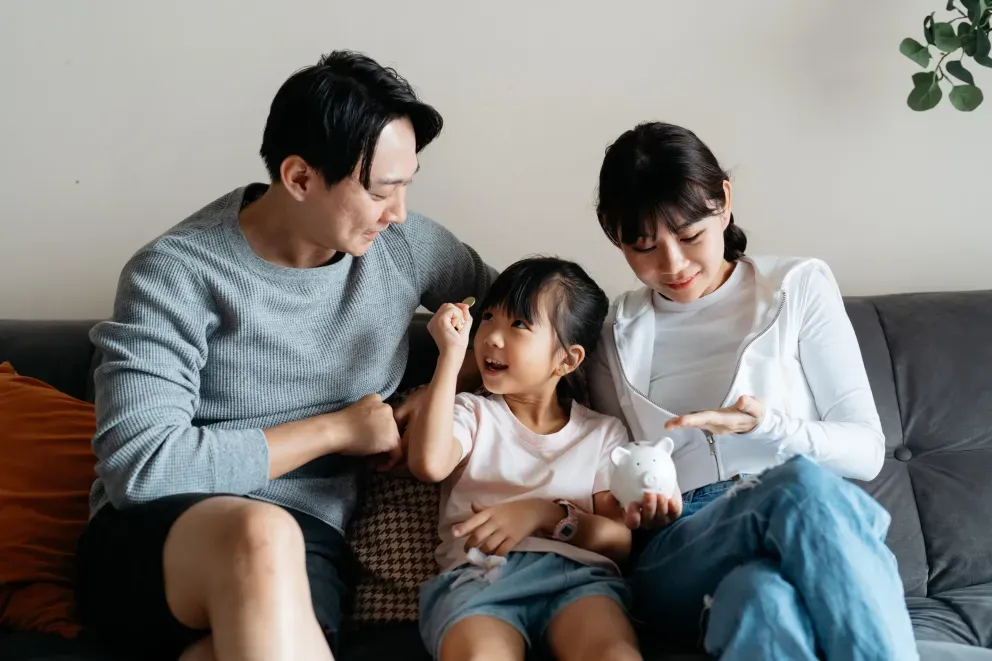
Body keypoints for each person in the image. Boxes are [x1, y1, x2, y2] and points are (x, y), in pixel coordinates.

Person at [74, 51, 494, 661]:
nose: (399, 212)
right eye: (381, 191)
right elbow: (142, 468)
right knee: (261, 532)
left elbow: (524, 328)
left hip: (309, 545)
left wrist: (440, 390)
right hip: (159, 543)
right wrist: (337, 429)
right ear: (299, 178)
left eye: (407, 185)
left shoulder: (404, 247)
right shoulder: (176, 273)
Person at [588, 122, 919, 660]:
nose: (672, 265)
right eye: (643, 246)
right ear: (613, 232)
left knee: (761, 599)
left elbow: (866, 451)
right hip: (681, 549)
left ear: (723, 200)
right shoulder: (612, 333)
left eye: (691, 236)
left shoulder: (798, 286)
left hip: (803, 527)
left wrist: (765, 425)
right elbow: (606, 469)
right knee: (799, 489)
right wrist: (637, 507)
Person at [407, 257, 641, 661]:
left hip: (577, 580)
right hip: (479, 579)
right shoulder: (472, 413)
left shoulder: (603, 434)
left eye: (518, 325)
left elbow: (618, 540)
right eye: (489, 318)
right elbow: (429, 464)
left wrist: (544, 514)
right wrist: (449, 357)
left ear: (566, 360)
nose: (493, 338)